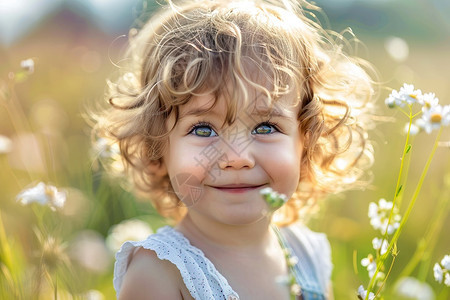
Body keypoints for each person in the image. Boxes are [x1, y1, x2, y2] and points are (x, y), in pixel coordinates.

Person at [93, 0, 375, 299]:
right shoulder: (159, 274)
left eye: (265, 127)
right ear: (156, 150)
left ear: (306, 141)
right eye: (204, 129)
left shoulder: (307, 257)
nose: (236, 158)